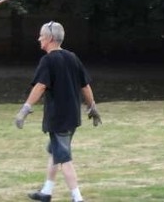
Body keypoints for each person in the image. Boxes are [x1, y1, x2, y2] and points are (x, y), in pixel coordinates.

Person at [14, 21, 102, 202]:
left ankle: (77, 198)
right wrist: (93, 107)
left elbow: (40, 86)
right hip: (72, 117)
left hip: (58, 119)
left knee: (64, 159)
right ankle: (46, 192)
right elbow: (85, 86)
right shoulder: (72, 57)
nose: (38, 38)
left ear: (50, 38)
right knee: (55, 152)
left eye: (41, 35)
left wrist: (25, 109)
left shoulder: (48, 60)